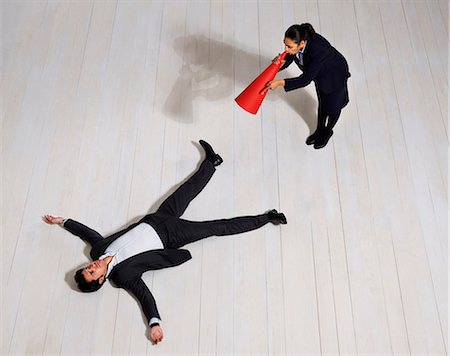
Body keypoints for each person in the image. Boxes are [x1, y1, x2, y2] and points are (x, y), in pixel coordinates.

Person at [43, 140, 287, 344]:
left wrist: (62, 221)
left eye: (87, 267)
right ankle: (267, 217)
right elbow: (144, 296)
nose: (91, 266)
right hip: (171, 236)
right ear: (99, 280)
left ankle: (212, 163)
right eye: (91, 272)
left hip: (157, 219)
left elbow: (89, 233)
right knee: (218, 227)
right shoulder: (122, 277)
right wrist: (154, 323)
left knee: (186, 191)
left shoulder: (98, 249)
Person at [263, 23, 351, 149]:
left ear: (302, 44)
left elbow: (305, 80)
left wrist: (280, 83)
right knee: (322, 102)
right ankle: (319, 129)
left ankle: (327, 131)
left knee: (333, 107)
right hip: (320, 76)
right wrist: (279, 64)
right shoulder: (299, 41)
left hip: (334, 77)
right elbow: (291, 56)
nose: (285, 49)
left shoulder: (320, 51)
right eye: (285, 44)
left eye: (289, 46)